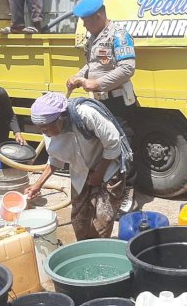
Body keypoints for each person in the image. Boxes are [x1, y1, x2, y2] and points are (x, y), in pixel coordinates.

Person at [25, 92, 132, 239]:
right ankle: (83, 251)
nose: (46, 133)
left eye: (48, 128)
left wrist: (99, 174)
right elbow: (56, 158)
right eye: (41, 129)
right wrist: (38, 184)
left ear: (61, 119)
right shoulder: (47, 126)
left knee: (102, 221)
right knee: (79, 222)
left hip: (108, 168)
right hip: (81, 172)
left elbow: (114, 143)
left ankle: (98, 252)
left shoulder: (85, 114)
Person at [67, 0, 138, 215]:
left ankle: (129, 192)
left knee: (124, 147)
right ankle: (111, 189)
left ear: (98, 16)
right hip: (99, 102)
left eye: (86, 20)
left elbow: (127, 68)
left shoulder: (119, 34)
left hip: (118, 102)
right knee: (104, 146)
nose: (84, 25)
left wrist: (96, 83)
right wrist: (78, 76)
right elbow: (92, 64)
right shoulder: (94, 37)